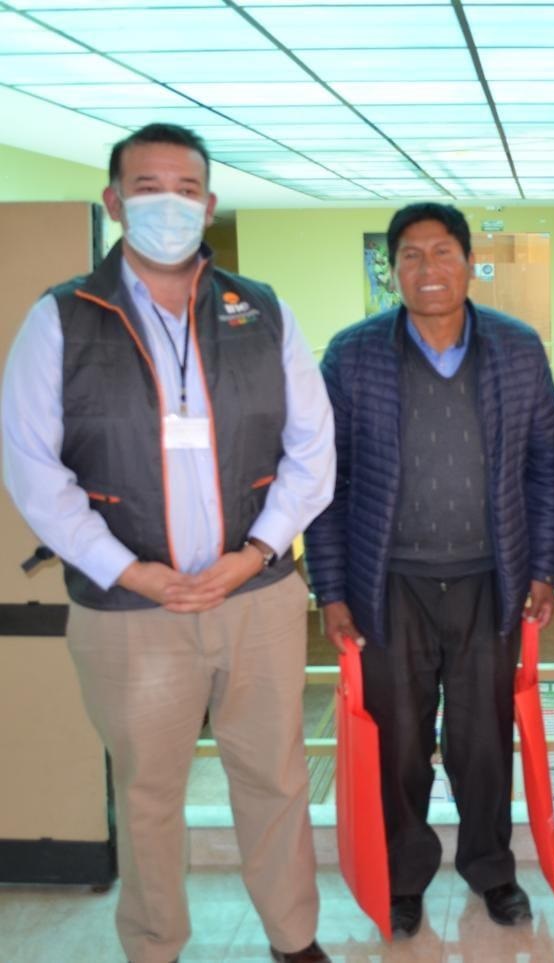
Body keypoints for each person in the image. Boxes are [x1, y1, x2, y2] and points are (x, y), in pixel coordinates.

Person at [0, 123, 335, 963]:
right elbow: (35, 470)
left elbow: (313, 450)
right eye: (147, 187)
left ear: (210, 204)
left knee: (276, 779)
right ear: (115, 202)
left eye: (186, 189)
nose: (168, 204)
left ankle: (294, 939)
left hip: (253, 598)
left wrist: (255, 553)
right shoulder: (61, 318)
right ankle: (155, 946)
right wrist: (130, 570)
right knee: (149, 792)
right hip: (126, 612)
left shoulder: (262, 312)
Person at [303, 202, 554, 933]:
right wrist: (331, 588)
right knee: (400, 740)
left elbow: (545, 467)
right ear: (392, 268)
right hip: (389, 584)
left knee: (483, 739)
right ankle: (403, 875)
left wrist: (545, 565)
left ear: (468, 260)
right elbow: (326, 481)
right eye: (410, 255)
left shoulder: (516, 348)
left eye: (442, 252)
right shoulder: (353, 354)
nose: (427, 268)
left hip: (491, 578)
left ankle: (490, 868)